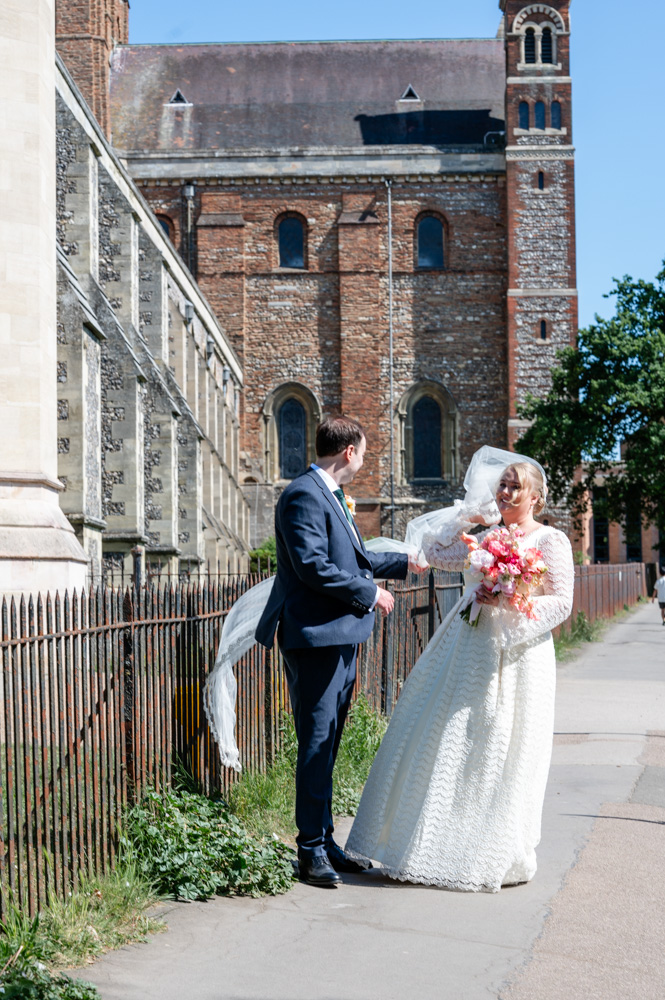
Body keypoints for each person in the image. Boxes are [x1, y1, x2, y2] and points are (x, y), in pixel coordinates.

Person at [346, 458, 574, 892]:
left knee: (502, 743)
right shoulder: (486, 536)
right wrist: (464, 519)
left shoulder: (551, 540)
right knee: (445, 734)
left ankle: (488, 849)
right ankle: (427, 843)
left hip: (518, 653)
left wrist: (512, 604)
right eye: (502, 485)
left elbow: (562, 601)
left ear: (536, 498)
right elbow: (434, 554)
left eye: (515, 487)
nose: (505, 492)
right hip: (466, 644)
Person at [255, 415, 424, 888]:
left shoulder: (327, 495)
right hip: (315, 638)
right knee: (315, 741)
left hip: (338, 637)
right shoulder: (303, 494)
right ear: (349, 452)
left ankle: (325, 840)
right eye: (364, 453)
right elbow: (312, 566)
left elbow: (354, 557)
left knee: (327, 741)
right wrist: (369, 594)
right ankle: (309, 850)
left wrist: (407, 562)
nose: (364, 461)